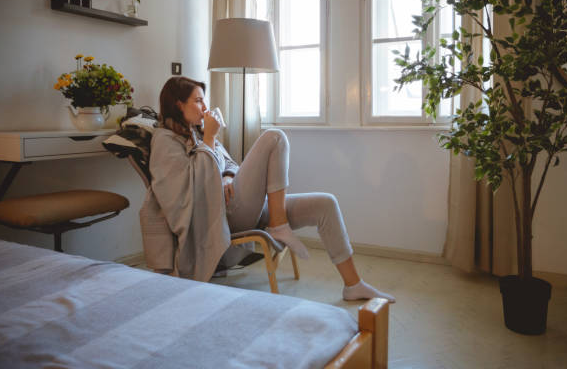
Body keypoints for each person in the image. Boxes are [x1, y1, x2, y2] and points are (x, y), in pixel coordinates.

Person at [150, 76, 395, 303]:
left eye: (204, 100)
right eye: (199, 101)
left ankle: (354, 284)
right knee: (274, 137)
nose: (205, 108)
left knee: (325, 203)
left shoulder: (195, 134)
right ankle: (279, 225)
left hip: (239, 205)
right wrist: (211, 139)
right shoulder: (164, 142)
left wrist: (227, 175)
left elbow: (230, 164)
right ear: (178, 104)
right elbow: (186, 195)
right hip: (219, 218)